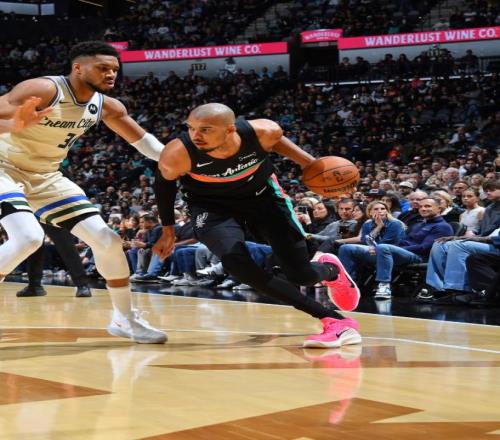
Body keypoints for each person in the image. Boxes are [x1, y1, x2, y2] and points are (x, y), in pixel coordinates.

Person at [153, 103, 362, 348]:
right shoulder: (178, 153)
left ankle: (330, 270)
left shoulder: (263, 132)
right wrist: (168, 231)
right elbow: (163, 186)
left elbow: (303, 160)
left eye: (205, 129)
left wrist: (315, 167)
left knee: (301, 275)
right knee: (237, 264)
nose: (195, 135)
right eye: (190, 128)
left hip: (264, 199)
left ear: (230, 129)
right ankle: (335, 321)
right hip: (212, 208)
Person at [0, 41, 166, 343]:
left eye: (114, 69)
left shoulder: (107, 106)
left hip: (46, 175)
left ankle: (124, 319)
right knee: (28, 237)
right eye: (103, 68)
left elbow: (146, 144)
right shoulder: (44, 88)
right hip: (3, 165)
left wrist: (187, 161)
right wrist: (13, 123)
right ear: (77, 68)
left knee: (108, 241)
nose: (111, 74)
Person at [338, 201, 406, 299]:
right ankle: (348, 283)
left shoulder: (395, 224)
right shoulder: (367, 224)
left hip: (392, 253)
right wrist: (378, 227)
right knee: (345, 248)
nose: (380, 211)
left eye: (383, 209)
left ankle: (384, 286)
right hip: (373, 251)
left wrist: (373, 246)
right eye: (376, 209)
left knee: (382, 247)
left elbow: (388, 243)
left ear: (387, 211)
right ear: (369, 212)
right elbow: (365, 240)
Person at [16, 222, 92, 297]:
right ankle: (34, 286)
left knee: (64, 243)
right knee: (35, 245)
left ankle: (82, 285)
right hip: (34, 215)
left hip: (51, 215)